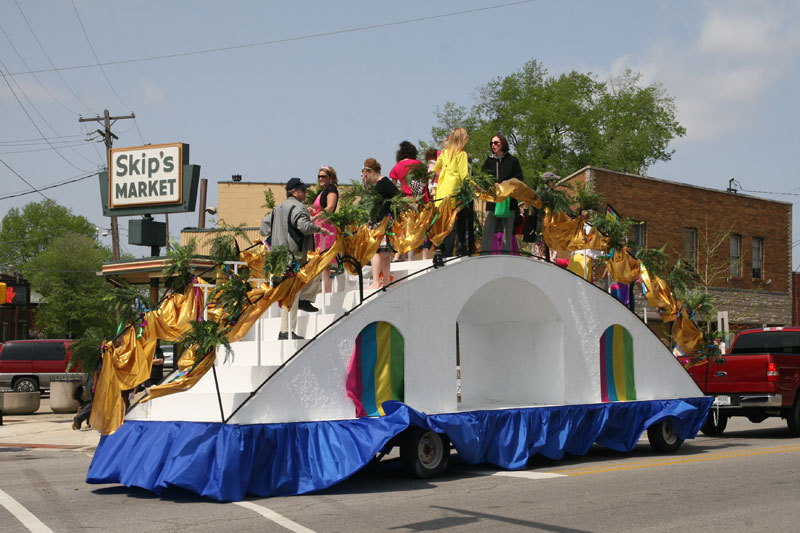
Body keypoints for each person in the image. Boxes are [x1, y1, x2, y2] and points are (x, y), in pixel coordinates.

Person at [261, 178, 333, 339]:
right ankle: (288, 328)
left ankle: (286, 329)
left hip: (277, 257)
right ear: (294, 192)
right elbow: (303, 226)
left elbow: (263, 227)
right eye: (302, 190)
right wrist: (319, 229)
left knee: (287, 295)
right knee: (295, 291)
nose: (305, 193)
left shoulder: (278, 208)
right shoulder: (298, 207)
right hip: (293, 258)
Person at [480, 133, 524, 254]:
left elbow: (519, 179)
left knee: (507, 231)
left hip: (509, 201)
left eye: (496, 143)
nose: (493, 145)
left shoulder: (513, 161)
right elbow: (482, 179)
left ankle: (506, 257)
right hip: (493, 202)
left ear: (502, 144)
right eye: (491, 143)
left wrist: (507, 184)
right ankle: (485, 255)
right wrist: (491, 184)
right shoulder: (488, 161)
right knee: (488, 229)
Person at [433, 127, 473, 258]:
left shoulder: (444, 152)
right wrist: (476, 187)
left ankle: (439, 249)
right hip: (453, 191)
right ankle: (451, 252)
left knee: (442, 221)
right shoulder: (461, 154)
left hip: (441, 191)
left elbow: (434, 169)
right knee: (453, 222)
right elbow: (464, 176)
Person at [362, 158, 400, 289]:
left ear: (371, 171)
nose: (364, 176)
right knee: (382, 253)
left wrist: (393, 213)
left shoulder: (383, 182)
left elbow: (397, 195)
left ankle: (377, 281)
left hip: (382, 221)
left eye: (365, 173)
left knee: (377, 252)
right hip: (377, 221)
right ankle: (384, 281)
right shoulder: (375, 185)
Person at [389, 141, 430, 260]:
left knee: (405, 229)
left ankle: (401, 256)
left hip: (405, 202)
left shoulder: (397, 167)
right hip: (419, 201)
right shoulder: (418, 164)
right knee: (420, 229)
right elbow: (425, 181)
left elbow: (393, 187)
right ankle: (421, 256)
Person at [310, 165, 339, 292]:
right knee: (321, 258)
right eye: (319, 176)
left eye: (324, 176)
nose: (321, 178)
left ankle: (326, 288)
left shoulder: (331, 189)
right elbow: (320, 209)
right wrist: (312, 212)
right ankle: (325, 286)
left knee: (325, 258)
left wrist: (315, 217)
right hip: (319, 226)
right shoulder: (321, 191)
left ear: (330, 178)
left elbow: (330, 208)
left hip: (326, 227)